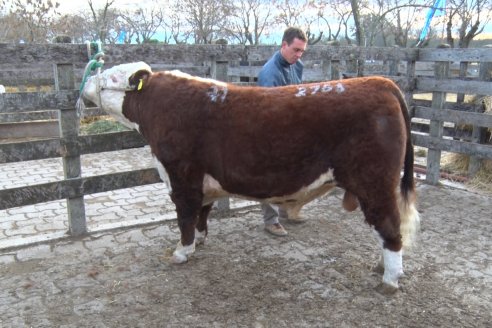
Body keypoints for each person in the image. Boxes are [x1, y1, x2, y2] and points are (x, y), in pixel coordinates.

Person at [257, 27, 308, 236]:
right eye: (295, 50)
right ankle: (271, 220)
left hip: (291, 129)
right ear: (284, 45)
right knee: (268, 175)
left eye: (302, 51)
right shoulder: (270, 73)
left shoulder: (298, 66)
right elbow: (269, 113)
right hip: (270, 131)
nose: (298, 55)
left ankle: (288, 210)